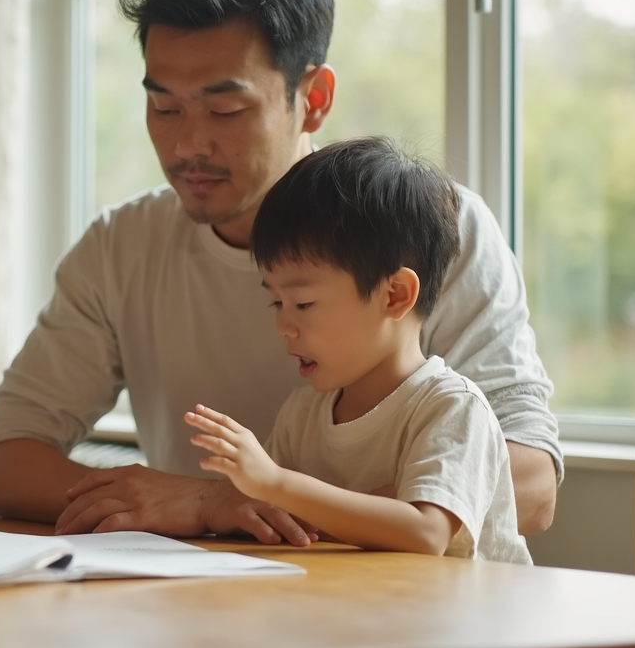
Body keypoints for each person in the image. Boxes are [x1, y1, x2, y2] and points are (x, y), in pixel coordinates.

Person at [0, 0, 560, 541]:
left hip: (405, 612)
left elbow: (532, 485)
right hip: (202, 599)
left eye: (225, 111)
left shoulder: (432, 224)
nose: (187, 146)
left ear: (314, 99)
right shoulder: (122, 245)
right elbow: (2, 466)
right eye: (165, 108)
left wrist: (222, 501)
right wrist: (201, 503)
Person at [187, 137, 531, 563]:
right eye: (277, 302)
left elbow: (425, 533)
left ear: (395, 295)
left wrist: (274, 482)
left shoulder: (451, 408)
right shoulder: (302, 415)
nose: (283, 325)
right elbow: (284, 522)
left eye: (303, 304)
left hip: (463, 625)